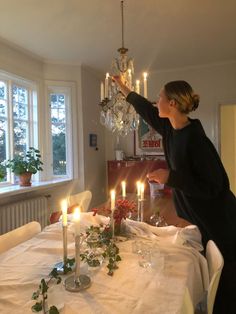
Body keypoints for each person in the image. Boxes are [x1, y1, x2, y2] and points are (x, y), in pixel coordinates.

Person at [112, 76, 236, 314]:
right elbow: (144, 108)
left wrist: (170, 177)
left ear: (173, 104)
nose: (155, 101)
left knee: (226, 284)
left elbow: (215, 186)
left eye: (160, 97)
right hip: (201, 216)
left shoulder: (196, 140)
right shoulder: (171, 129)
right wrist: (123, 87)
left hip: (220, 218)